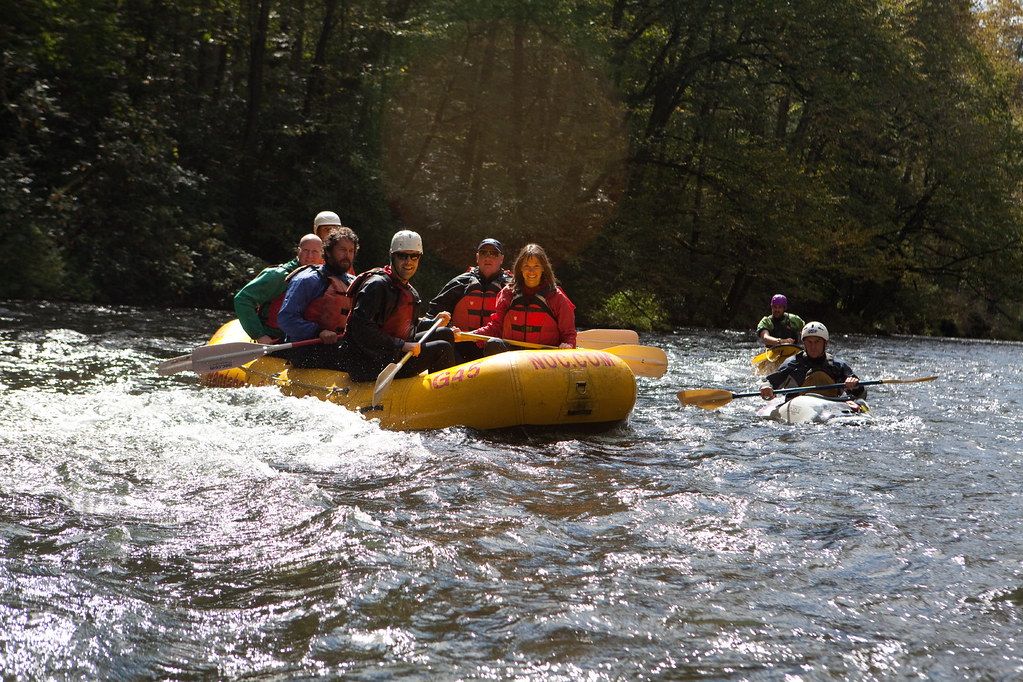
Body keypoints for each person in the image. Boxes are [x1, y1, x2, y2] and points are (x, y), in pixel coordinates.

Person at [338, 230, 457, 381]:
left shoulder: (406, 288)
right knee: (442, 348)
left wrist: (433, 323)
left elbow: (406, 326)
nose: (408, 261)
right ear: (391, 256)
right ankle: (442, 396)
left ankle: (437, 387)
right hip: (367, 363)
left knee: (445, 333)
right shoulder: (377, 286)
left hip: (388, 353)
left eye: (414, 256)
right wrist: (400, 345)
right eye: (402, 256)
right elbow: (360, 329)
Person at [275, 226, 360, 369]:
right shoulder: (307, 279)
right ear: (327, 252)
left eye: (351, 251)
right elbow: (286, 319)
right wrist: (318, 332)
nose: (347, 255)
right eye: (342, 250)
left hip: (338, 346)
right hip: (307, 349)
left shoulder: (354, 283)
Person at [470, 243, 577, 355]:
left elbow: (569, 334)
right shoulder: (508, 293)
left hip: (543, 358)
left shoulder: (556, 297)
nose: (531, 271)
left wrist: (568, 344)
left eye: (536, 266)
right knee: (493, 344)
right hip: (513, 357)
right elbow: (496, 328)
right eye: (527, 266)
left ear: (543, 268)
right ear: (520, 268)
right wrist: (469, 335)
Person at [428, 237, 513, 361]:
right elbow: (433, 314)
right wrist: (448, 328)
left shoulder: (511, 287)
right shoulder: (460, 283)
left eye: (494, 253)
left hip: (495, 348)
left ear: (501, 259)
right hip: (461, 347)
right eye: (483, 253)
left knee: (495, 344)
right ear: (477, 257)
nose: (488, 257)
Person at [233, 233, 324, 344]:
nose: (310, 256)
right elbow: (242, 299)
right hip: (275, 339)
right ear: (298, 251)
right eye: (305, 250)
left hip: (305, 339)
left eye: (315, 252)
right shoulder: (278, 275)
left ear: (321, 254)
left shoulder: (324, 278)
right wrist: (260, 335)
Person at [759, 321, 864, 400]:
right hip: (800, 407)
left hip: (831, 404)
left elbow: (861, 393)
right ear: (804, 343)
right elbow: (769, 381)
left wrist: (854, 385)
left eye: (817, 342)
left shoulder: (838, 365)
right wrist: (766, 387)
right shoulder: (792, 364)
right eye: (809, 342)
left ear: (825, 343)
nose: (813, 346)